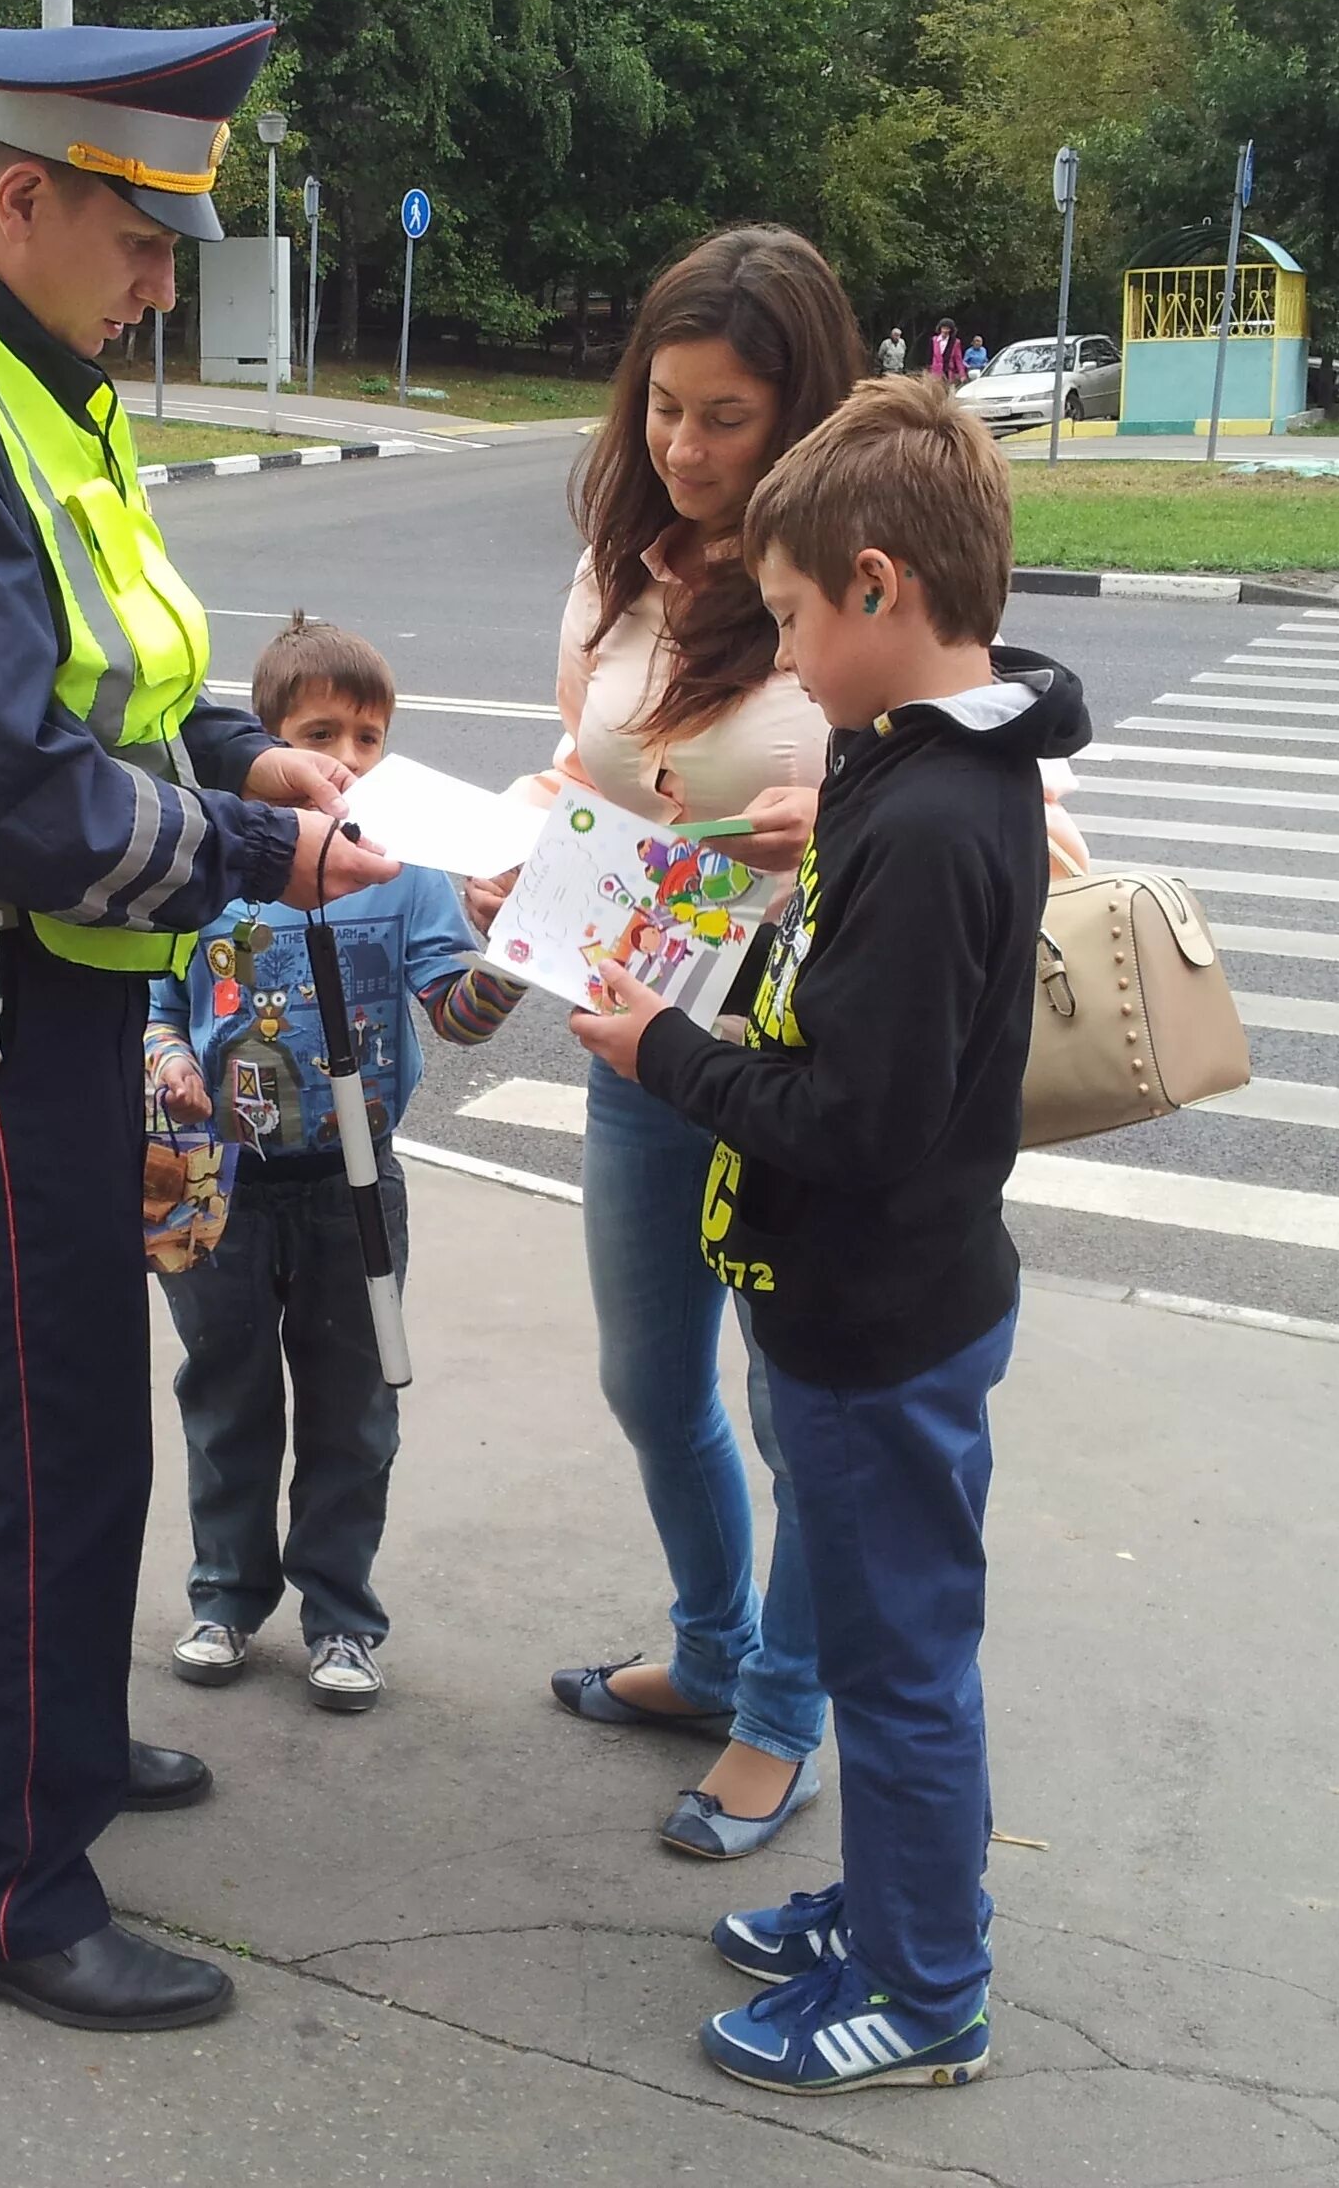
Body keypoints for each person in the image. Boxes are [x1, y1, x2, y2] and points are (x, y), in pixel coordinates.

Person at [0, 16, 400, 2036]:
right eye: (140, 243)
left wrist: (239, 765)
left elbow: (100, 684)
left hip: (58, 987)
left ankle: (58, 1743)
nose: (159, 289)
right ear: (21, 197)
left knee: (78, 1405)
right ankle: (6, 1889)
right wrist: (248, 855)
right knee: (44, 1431)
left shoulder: (22, 378)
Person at [571, 374, 1093, 2093]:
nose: (785, 660)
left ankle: (927, 1991)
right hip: (859, 1313)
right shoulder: (914, 755)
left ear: (881, 585)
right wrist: (802, 835)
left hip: (884, 1320)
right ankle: (886, 1909)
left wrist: (670, 1050)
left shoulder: (939, 818)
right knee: (888, 1658)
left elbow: (859, 1125)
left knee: (904, 1674)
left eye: (793, 616)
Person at [470, 225, 861, 1864]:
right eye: (664, 409)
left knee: (802, 1415)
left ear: (804, 416)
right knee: (652, 1382)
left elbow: (1000, 798)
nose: (685, 452)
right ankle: (707, 1654)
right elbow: (582, 768)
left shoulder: (860, 566)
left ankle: (781, 1714)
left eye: (728, 420)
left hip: (804, 1063)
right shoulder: (622, 565)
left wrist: (830, 817)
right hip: (638, 1034)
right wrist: (507, 839)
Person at [146, 616, 527, 1716]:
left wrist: (509, 948)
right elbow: (156, 1001)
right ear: (268, 747)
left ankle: (343, 1619)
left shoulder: (406, 879)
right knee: (224, 1397)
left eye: (370, 736)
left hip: (355, 1189)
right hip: (216, 1183)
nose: (350, 759)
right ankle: (224, 1596)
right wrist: (170, 1060)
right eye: (324, 733)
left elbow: (456, 1016)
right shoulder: (215, 862)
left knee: (354, 1411)